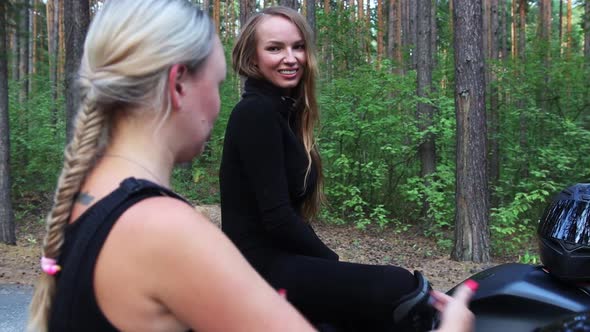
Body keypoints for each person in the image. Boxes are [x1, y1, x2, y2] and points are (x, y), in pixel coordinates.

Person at [26, 1, 316, 331]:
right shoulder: (162, 228)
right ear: (178, 84)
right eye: (217, 84)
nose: (219, 106)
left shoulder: (87, 200)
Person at [219, 5, 470, 331]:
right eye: (275, 48)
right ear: (252, 58)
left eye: (298, 46)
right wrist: (334, 264)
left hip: (278, 260)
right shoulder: (256, 113)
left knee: (389, 290)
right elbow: (278, 218)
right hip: (258, 266)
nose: (291, 57)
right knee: (399, 288)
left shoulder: (283, 112)